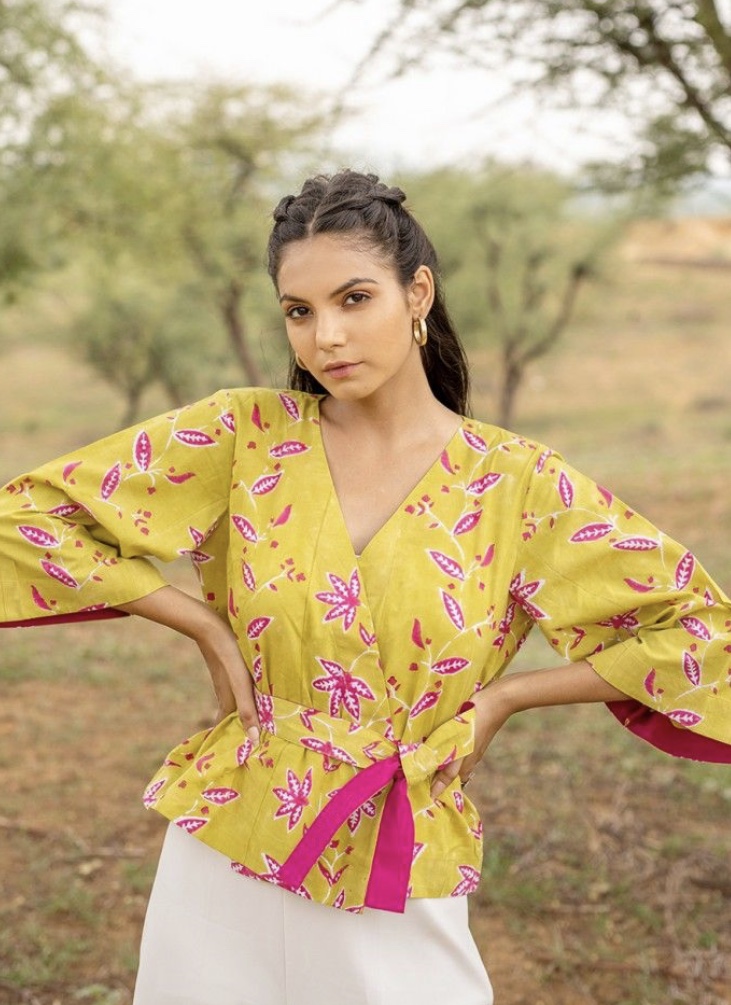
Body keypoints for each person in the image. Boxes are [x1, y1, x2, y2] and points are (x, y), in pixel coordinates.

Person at [1, 168, 729, 1005]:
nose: (325, 339)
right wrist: (195, 619)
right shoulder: (245, 435)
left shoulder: (516, 483)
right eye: (299, 312)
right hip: (225, 846)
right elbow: (26, 521)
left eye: (354, 299)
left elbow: (699, 636)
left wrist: (506, 697)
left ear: (416, 292)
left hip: (396, 854)